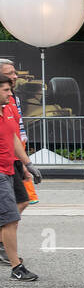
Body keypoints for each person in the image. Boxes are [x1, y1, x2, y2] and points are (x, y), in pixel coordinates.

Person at [0, 76, 38, 281]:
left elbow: (14, 138)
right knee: (11, 218)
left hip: (9, 170)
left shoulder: (6, 110)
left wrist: (28, 164)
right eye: (6, 90)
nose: (9, 94)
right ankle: (16, 267)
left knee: (13, 213)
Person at [0, 59, 36, 205]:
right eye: (10, 73)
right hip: (5, 164)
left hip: (13, 157)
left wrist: (26, 163)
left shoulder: (12, 99)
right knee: (13, 211)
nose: (15, 76)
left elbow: (16, 132)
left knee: (21, 203)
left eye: (15, 72)